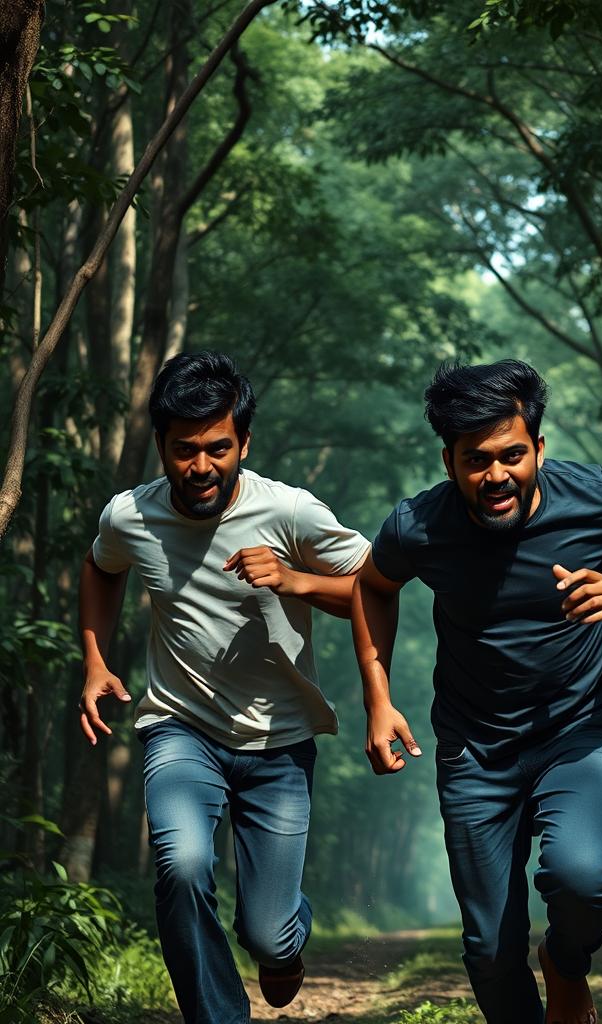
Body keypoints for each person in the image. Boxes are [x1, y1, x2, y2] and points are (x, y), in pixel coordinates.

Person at [351, 360, 602, 1024]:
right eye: (475, 460)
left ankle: (567, 966)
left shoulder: (594, 498)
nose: (496, 476)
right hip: (473, 748)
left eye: (513, 455)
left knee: (582, 879)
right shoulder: (418, 526)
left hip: (579, 729)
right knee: (488, 948)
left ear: (539, 447)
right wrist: (378, 699)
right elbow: (370, 586)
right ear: (449, 460)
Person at [78, 351, 370, 1024]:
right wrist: (95, 661)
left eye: (217, 448)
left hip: (282, 740)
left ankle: (284, 935)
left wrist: (295, 579)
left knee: (269, 936)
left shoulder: (291, 511)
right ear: (161, 446)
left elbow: (372, 586)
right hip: (181, 730)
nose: (200, 467)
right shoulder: (131, 517)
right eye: (184, 451)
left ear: (243, 442)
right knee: (181, 864)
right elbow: (100, 569)